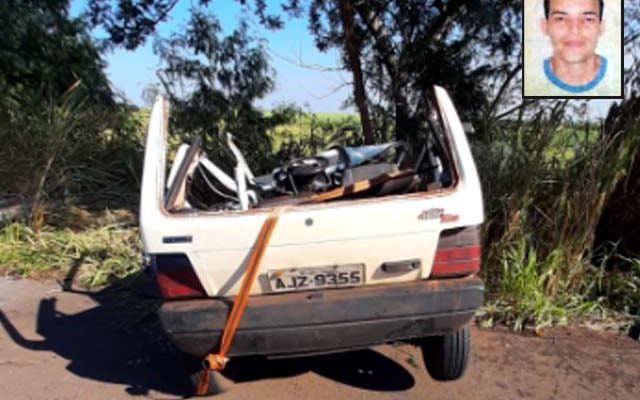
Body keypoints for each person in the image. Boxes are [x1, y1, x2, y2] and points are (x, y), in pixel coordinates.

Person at [525, 0, 620, 97]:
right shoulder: (529, 79)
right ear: (545, 26)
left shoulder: (618, 78)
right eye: (560, 19)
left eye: (588, 19)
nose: (574, 30)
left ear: (601, 27)